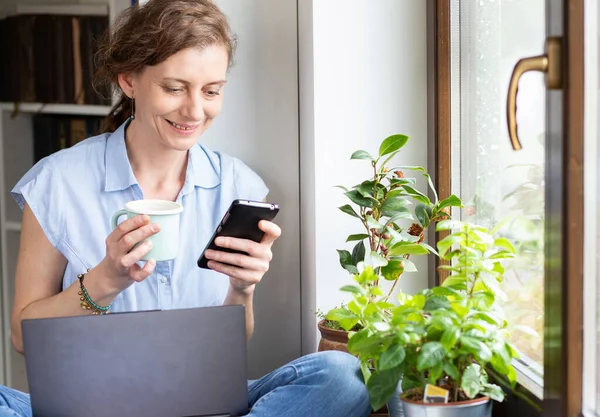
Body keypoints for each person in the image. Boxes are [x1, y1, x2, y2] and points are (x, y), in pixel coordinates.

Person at [0, 0, 375, 416]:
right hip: (91, 406)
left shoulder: (238, 186)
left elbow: (231, 345)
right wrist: (105, 280)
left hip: (204, 402)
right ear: (128, 80)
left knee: (343, 375)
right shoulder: (57, 182)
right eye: (174, 88)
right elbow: (22, 335)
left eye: (211, 91)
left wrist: (241, 289)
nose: (195, 111)